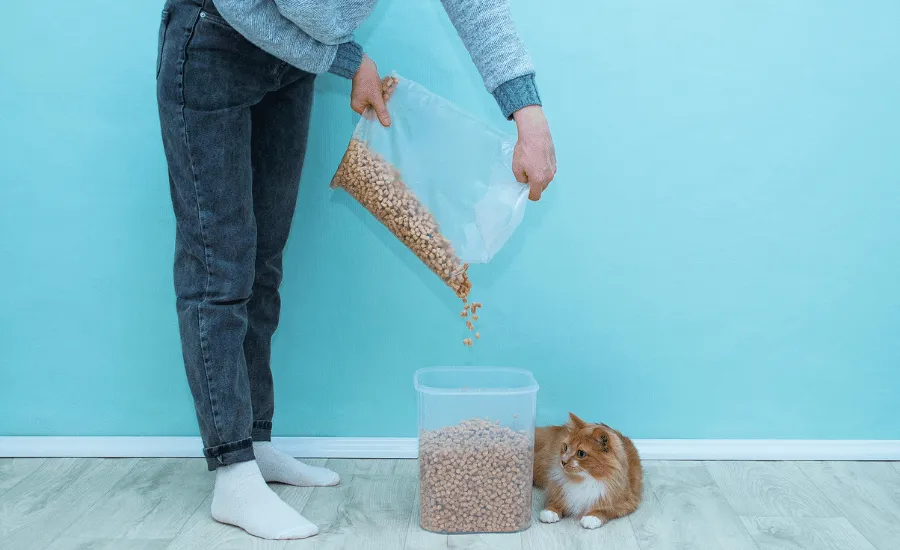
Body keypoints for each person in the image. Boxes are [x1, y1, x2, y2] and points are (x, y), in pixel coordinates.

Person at [156, 0, 556, 540]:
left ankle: (254, 440)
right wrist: (344, 56)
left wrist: (527, 113)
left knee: (264, 260)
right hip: (216, 42)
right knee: (219, 266)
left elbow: (475, 4)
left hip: (292, 65)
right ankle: (232, 470)